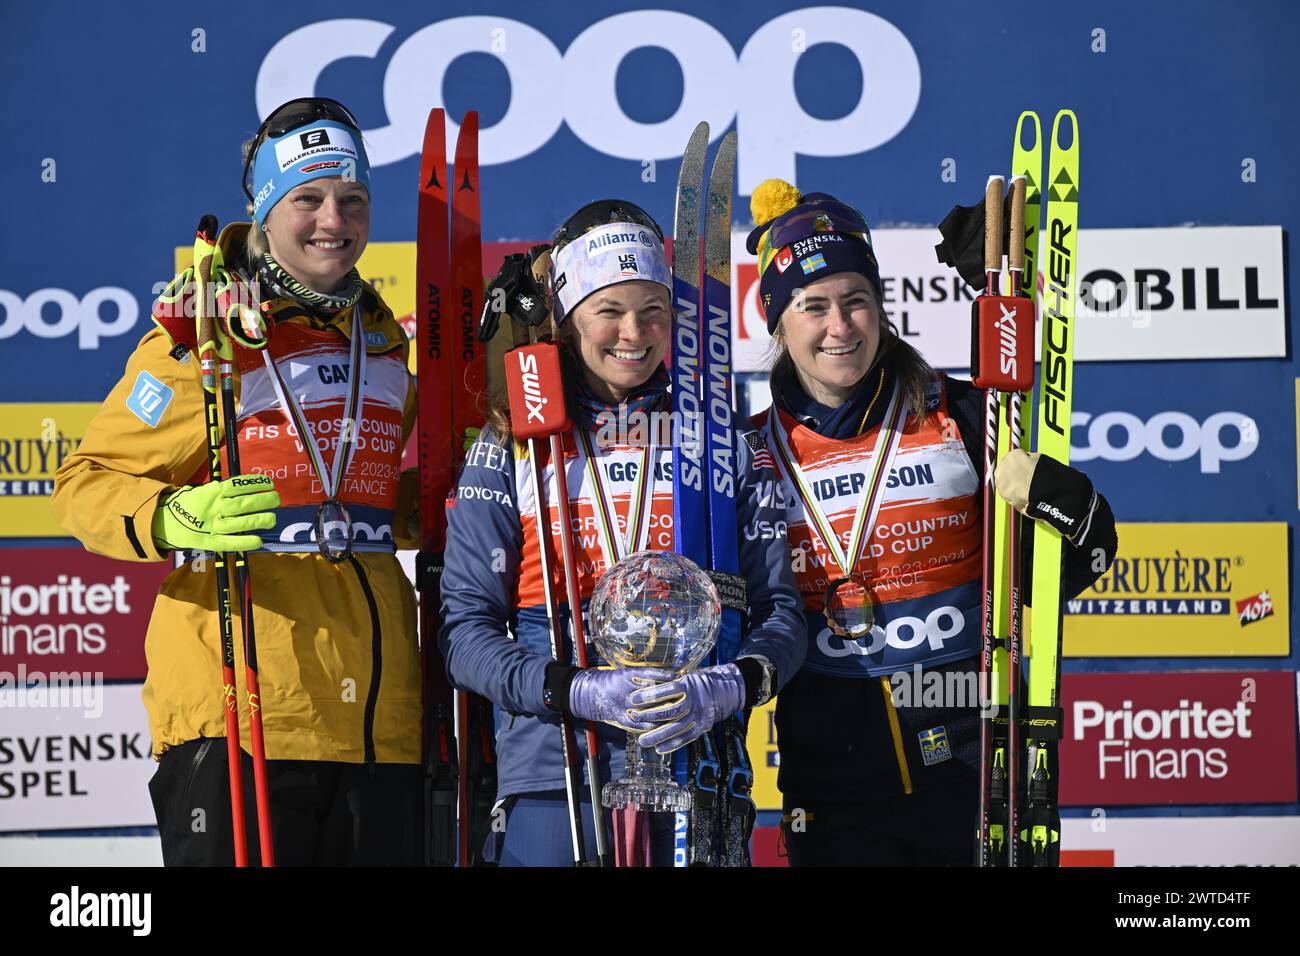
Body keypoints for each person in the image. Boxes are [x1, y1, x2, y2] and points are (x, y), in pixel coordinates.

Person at [52, 98, 425, 866]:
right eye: (308, 199)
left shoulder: (385, 348)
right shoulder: (205, 333)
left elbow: (384, 508)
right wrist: (170, 517)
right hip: (243, 715)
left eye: (353, 200)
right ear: (265, 206)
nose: (335, 219)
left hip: (378, 719)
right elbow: (87, 482)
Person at [743, 179, 1118, 866]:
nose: (840, 325)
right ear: (778, 322)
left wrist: (1071, 505)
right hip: (831, 791)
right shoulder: (749, 452)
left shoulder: (966, 413)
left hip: (972, 774)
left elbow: (1072, 566)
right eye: (814, 306)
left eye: (857, 300)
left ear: (880, 309)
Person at [438, 199, 806, 866]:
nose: (633, 331)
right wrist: (572, 689)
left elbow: (781, 614)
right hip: (558, 777)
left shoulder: (725, 443)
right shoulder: (511, 446)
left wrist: (731, 686)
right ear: (569, 318)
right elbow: (466, 635)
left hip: (697, 772)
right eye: (609, 310)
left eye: (653, 309)